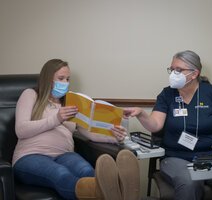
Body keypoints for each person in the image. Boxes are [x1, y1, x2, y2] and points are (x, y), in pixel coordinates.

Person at [124, 50, 212, 200]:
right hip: (177, 158)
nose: (173, 74)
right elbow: (155, 125)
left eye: (178, 70)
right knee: (189, 182)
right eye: (171, 69)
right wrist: (141, 114)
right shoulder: (167, 94)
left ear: (194, 73)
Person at [12, 59, 140, 200]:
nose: (65, 83)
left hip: (64, 155)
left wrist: (114, 137)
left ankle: (116, 190)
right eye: (61, 78)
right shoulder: (31, 95)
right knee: (60, 173)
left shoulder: (71, 103)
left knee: (88, 172)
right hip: (30, 156)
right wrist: (57, 118)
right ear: (47, 79)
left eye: (68, 79)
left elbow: (89, 133)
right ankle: (120, 190)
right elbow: (21, 130)